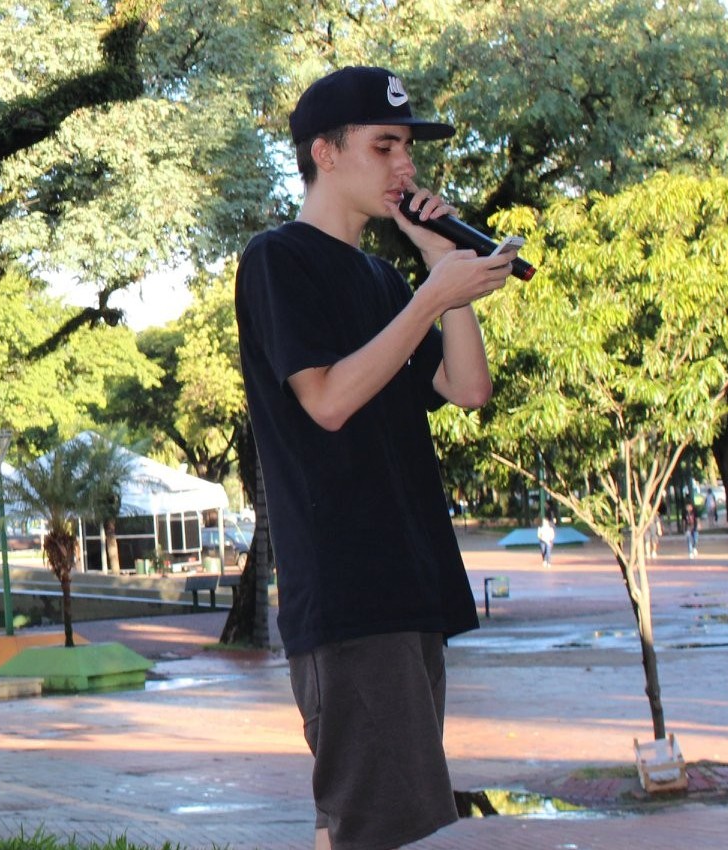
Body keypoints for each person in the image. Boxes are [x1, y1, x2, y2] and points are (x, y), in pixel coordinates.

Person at [235, 66, 517, 850]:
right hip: (352, 596)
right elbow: (325, 400)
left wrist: (439, 275)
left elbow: (468, 388)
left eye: (408, 148)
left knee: (362, 828)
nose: (406, 166)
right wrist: (429, 297)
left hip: (410, 587)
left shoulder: (384, 278)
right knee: (392, 828)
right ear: (325, 152)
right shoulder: (277, 259)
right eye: (385, 145)